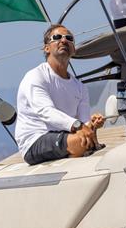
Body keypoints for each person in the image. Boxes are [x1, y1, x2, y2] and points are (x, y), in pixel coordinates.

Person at [15, 24, 105, 165]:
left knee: (85, 140)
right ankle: (74, 154)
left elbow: (84, 123)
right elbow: (45, 111)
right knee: (81, 142)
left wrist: (92, 125)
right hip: (36, 139)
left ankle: (72, 154)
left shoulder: (80, 88)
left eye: (69, 38)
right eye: (57, 37)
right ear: (47, 48)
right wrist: (79, 126)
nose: (63, 41)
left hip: (65, 134)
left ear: (73, 49)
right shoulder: (35, 76)